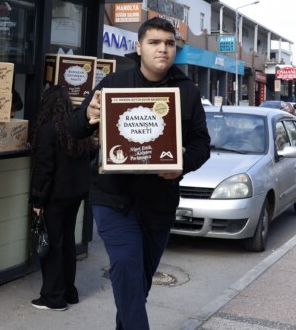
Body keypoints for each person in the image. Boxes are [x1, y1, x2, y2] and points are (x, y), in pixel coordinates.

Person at [69, 17, 211, 329]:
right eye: (154, 42)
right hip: (113, 199)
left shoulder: (187, 91)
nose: (163, 49)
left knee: (138, 287)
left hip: (159, 204)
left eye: (169, 43)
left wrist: (182, 164)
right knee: (126, 271)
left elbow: (202, 145)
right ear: (138, 47)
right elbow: (74, 128)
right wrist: (88, 114)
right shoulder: (113, 84)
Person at [29, 85, 96, 311]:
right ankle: (69, 292)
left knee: (52, 245)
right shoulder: (75, 128)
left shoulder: (47, 129)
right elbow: (90, 155)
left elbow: (44, 169)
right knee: (67, 242)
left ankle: (54, 298)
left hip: (54, 197)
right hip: (75, 195)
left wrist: (38, 201)